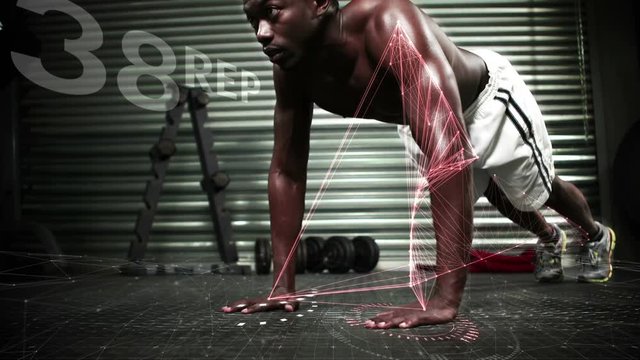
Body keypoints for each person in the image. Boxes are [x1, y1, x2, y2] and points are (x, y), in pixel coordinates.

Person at [221, 0, 615, 328]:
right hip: (424, 116)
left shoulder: (387, 22)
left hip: (489, 100)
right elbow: (287, 171)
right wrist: (282, 287)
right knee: (497, 194)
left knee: (537, 191)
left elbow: (450, 157)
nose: (261, 32)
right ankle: (549, 238)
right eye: (252, 19)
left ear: (320, 3)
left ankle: (595, 234)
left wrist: (444, 299)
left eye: (272, 12)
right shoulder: (291, 69)